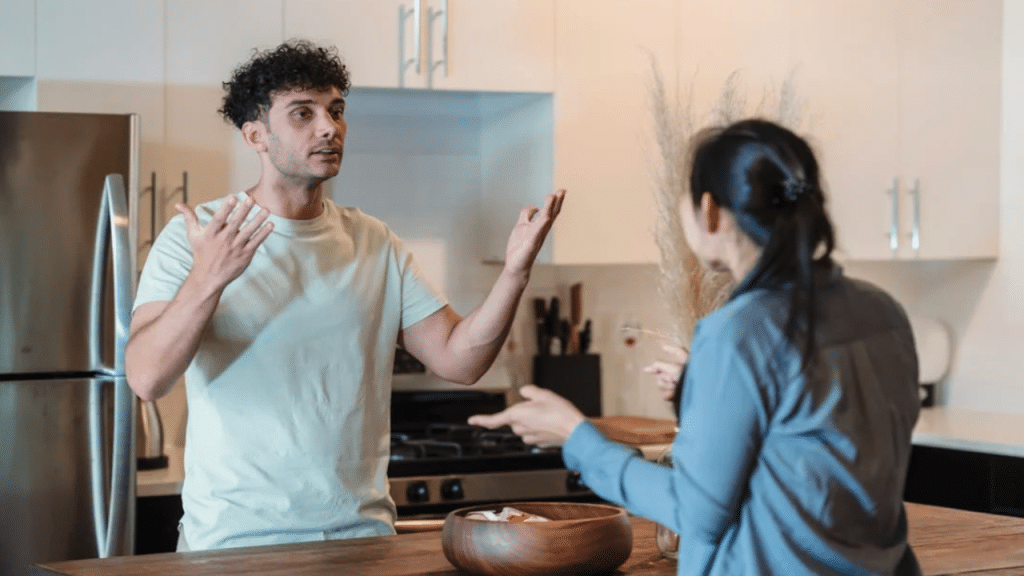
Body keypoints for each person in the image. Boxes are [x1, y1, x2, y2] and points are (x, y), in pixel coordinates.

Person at [125, 40, 564, 552]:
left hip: (361, 540)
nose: (329, 127)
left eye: (335, 111)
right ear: (255, 135)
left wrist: (515, 273)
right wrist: (208, 279)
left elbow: (460, 360)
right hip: (234, 545)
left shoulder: (373, 241)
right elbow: (147, 378)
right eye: (303, 114)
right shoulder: (200, 237)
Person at [470, 119, 922, 575]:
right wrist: (701, 387)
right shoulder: (884, 311)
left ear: (709, 209)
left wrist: (577, 437)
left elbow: (696, 512)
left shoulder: (738, 332)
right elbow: (815, 452)